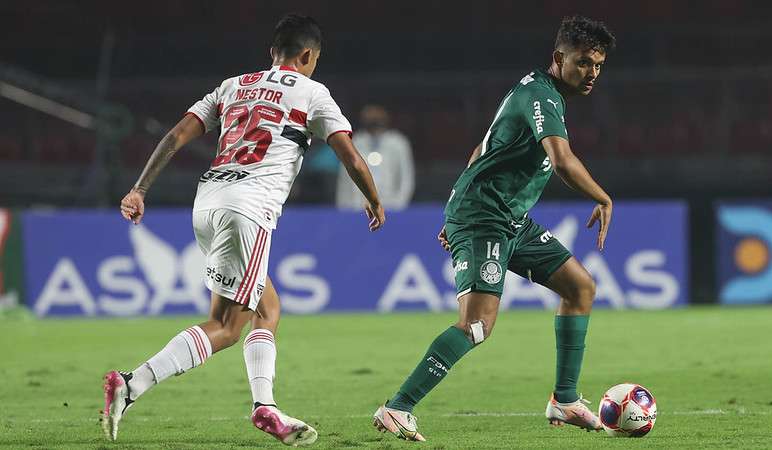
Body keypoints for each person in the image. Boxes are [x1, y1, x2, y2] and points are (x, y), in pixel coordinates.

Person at [103, 14, 385, 447]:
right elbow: (349, 155)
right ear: (308, 56)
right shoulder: (313, 93)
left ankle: (264, 406)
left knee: (267, 308)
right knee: (227, 327)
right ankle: (132, 383)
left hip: (208, 202)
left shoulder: (232, 85)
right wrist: (374, 198)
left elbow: (176, 135)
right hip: (247, 210)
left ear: (273, 52)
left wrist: (140, 188)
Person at [372, 16, 615, 441]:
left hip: (507, 218)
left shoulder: (540, 93)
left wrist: (453, 210)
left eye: (598, 65)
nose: (591, 73)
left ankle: (565, 399)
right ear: (559, 58)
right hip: (485, 217)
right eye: (583, 63)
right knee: (477, 325)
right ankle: (397, 407)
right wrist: (602, 196)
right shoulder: (541, 95)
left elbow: (481, 150)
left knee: (581, 288)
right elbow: (561, 159)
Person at [336, 105, 415, 210]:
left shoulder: (398, 142)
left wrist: (399, 205)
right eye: (371, 122)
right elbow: (344, 179)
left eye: (377, 121)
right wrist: (344, 206)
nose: (375, 125)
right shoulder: (355, 141)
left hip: (391, 205)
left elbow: (406, 178)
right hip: (358, 206)